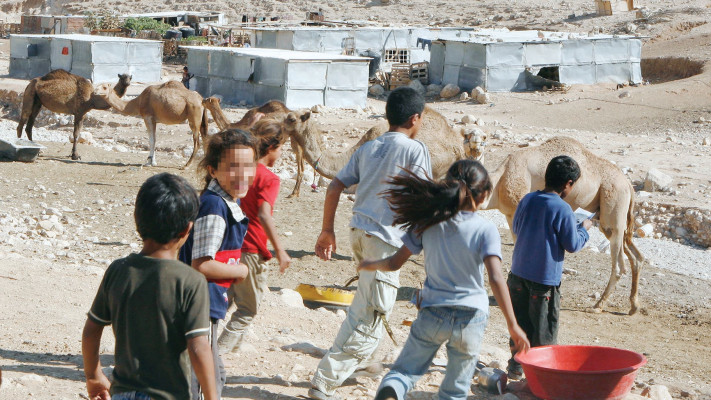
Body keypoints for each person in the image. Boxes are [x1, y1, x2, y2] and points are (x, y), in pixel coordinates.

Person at [359, 160, 530, 400]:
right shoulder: (486, 229)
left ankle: (391, 392)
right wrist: (513, 325)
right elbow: (495, 278)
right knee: (455, 390)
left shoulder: (428, 222)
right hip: (471, 318)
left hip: (433, 311)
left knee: (404, 372)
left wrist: (370, 264)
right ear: (485, 196)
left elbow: (394, 263)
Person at [309, 87, 432, 400]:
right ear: (416, 119)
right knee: (371, 315)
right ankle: (324, 381)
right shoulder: (415, 151)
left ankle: (362, 364)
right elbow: (424, 202)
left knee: (366, 303)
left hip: (359, 235)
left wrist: (327, 230)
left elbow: (334, 186)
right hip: (384, 245)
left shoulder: (370, 148)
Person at [82, 173, 217, 400]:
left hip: (122, 394)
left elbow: (92, 329)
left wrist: (93, 375)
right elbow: (198, 347)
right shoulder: (191, 281)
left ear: (138, 221)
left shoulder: (118, 270)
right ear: (187, 229)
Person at [179, 129, 257, 399]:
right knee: (204, 379)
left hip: (205, 303)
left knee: (214, 374)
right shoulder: (214, 207)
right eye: (233, 167)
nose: (243, 174)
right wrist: (241, 270)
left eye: (249, 165)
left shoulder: (225, 203)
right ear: (212, 170)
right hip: (199, 304)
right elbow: (201, 265)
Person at [506, 155, 593, 380]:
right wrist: (584, 229)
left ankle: (515, 368)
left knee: (521, 325)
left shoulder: (527, 199)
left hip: (516, 276)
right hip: (544, 284)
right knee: (544, 334)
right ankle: (541, 380)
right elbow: (572, 244)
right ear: (568, 184)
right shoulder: (563, 209)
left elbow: (517, 226)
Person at [218, 119, 292, 353]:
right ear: (272, 147)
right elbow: (264, 214)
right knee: (247, 309)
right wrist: (279, 250)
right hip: (250, 249)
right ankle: (215, 356)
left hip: (227, 244)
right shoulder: (269, 178)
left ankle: (211, 352)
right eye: (281, 148)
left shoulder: (239, 168)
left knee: (223, 301)